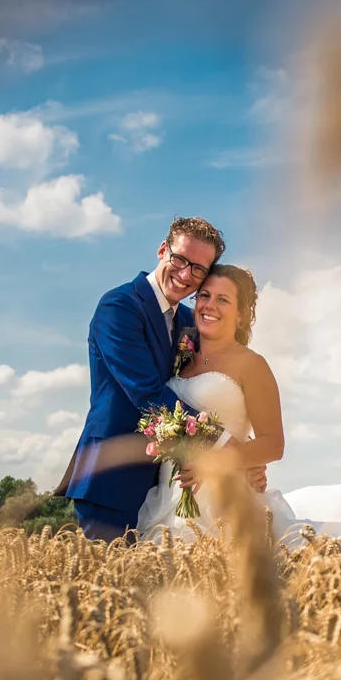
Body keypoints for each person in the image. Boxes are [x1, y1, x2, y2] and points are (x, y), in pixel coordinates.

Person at [135, 264, 341, 548]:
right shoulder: (181, 356)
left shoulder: (252, 365)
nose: (209, 305)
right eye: (204, 295)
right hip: (171, 494)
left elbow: (273, 444)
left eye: (223, 299)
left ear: (241, 315)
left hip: (224, 500)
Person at [59, 216, 265, 541]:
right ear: (162, 250)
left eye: (198, 269)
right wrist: (226, 443)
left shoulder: (188, 319)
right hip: (114, 479)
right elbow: (147, 393)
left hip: (168, 483)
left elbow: (215, 383)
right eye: (180, 259)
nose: (185, 275)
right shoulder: (119, 306)